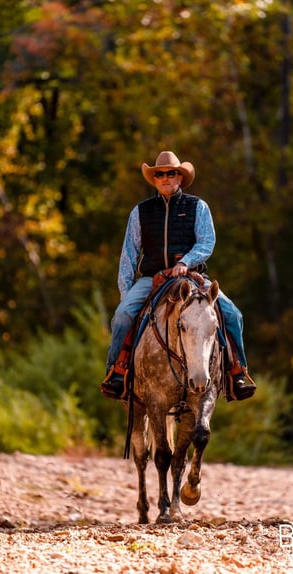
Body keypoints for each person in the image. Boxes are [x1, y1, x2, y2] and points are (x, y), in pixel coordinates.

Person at [100, 151, 256, 401]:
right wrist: (125, 294)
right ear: (154, 179)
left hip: (193, 277)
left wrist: (186, 262)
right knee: (122, 316)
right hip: (151, 278)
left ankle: (236, 372)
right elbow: (128, 256)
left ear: (180, 177)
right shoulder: (140, 212)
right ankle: (116, 373)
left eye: (170, 173)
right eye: (159, 174)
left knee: (233, 315)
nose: (165, 178)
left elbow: (207, 242)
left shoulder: (197, 206)